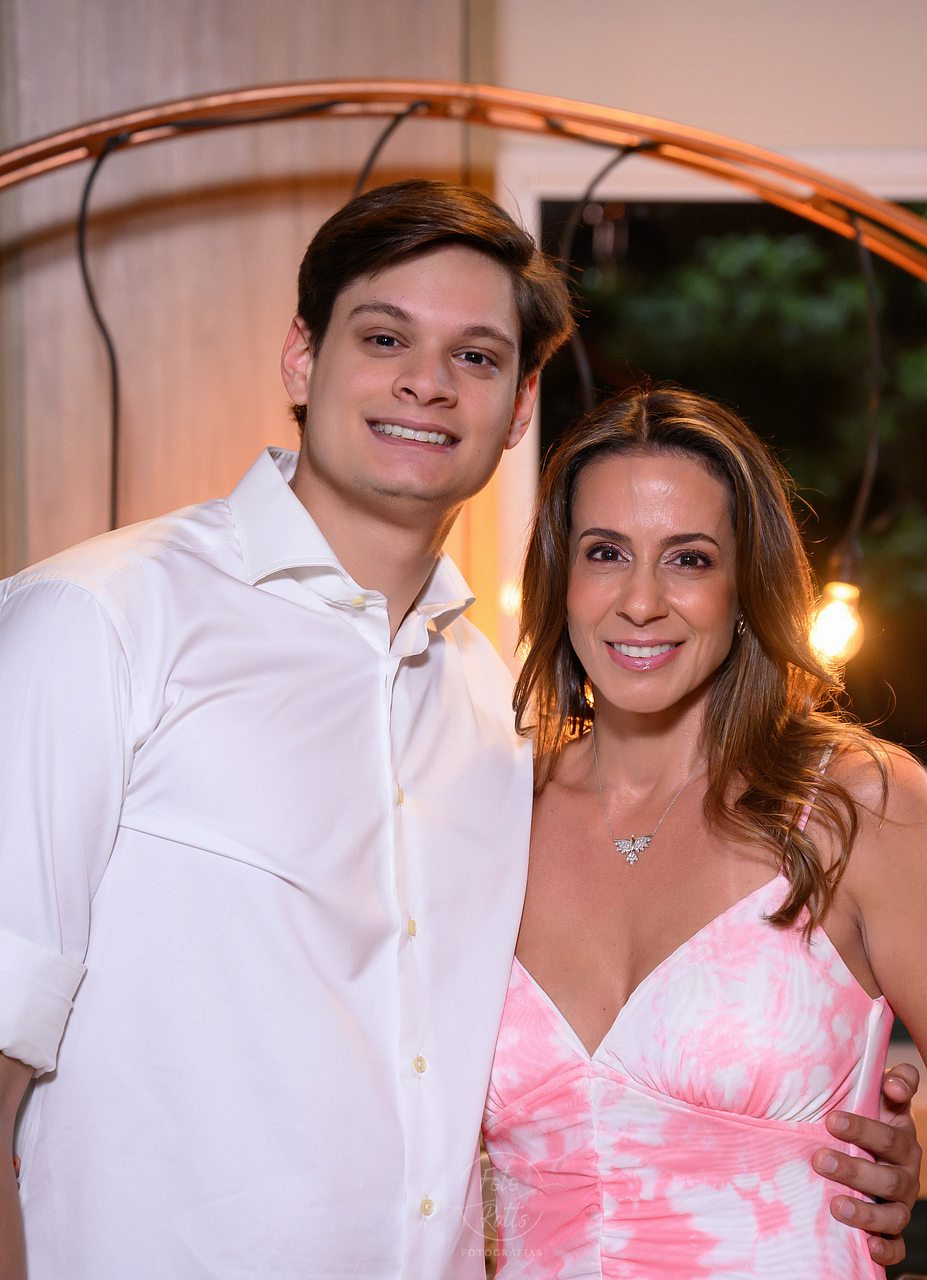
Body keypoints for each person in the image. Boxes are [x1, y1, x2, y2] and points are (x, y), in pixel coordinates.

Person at [0, 186, 918, 1280]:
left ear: (520, 404)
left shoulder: (487, 716)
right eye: (384, 337)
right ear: (302, 355)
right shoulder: (97, 620)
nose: (427, 383)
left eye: (475, 356)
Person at [482, 384, 927, 1278]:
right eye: (605, 552)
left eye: (688, 559)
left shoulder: (856, 806)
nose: (641, 601)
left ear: (745, 585)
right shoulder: (488, 815)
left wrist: (911, 1153)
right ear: (560, 577)